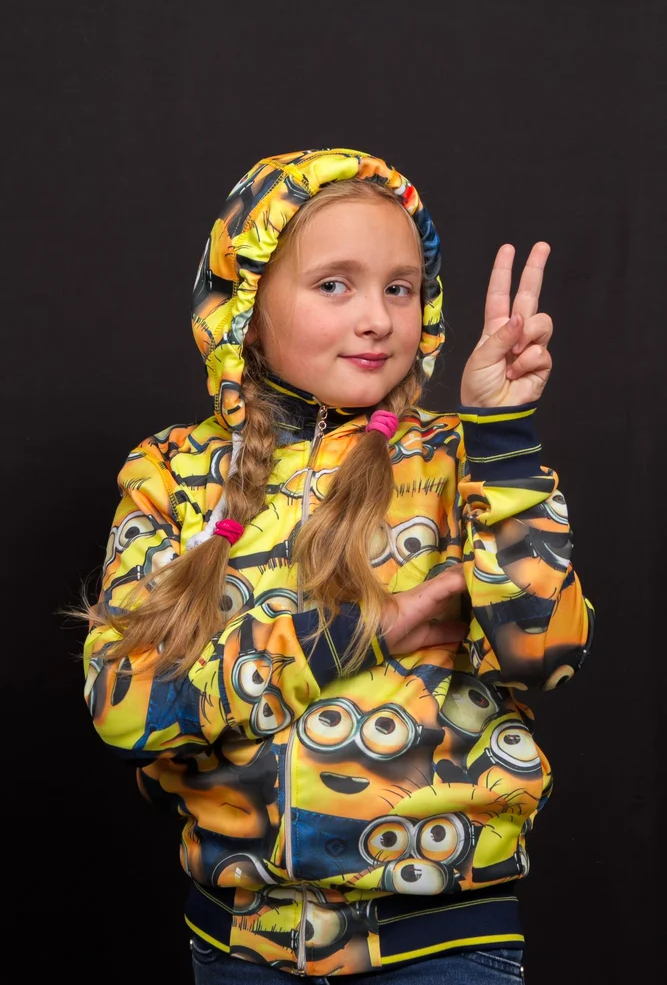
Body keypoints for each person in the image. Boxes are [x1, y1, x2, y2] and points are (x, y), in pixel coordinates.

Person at [83, 148, 594, 984]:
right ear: (246, 310)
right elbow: (123, 706)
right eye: (333, 285)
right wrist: (371, 627)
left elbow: (544, 652)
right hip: (240, 948)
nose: (377, 319)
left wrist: (502, 436)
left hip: (442, 946)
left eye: (399, 288)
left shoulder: (461, 457)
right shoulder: (171, 473)